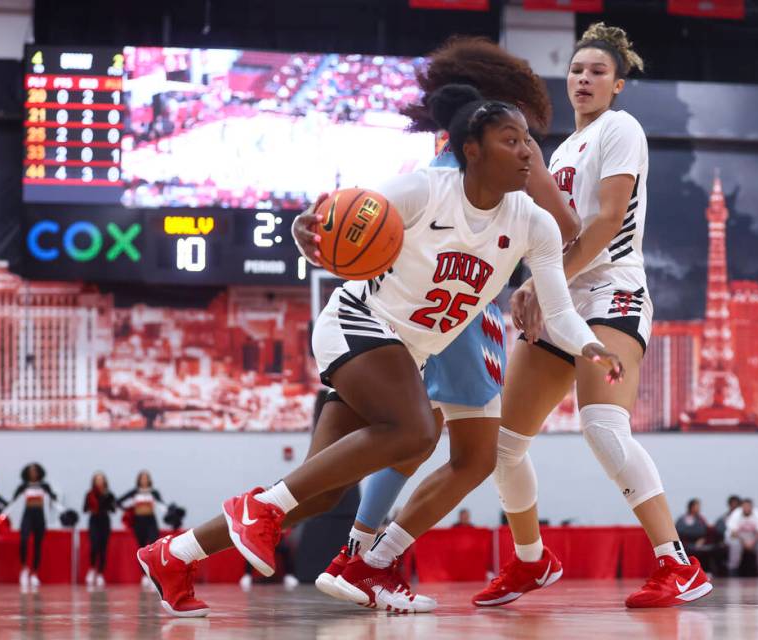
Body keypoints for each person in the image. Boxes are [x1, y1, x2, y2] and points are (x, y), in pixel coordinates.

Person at [136, 84, 622, 617]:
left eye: (529, 140)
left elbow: (558, 310)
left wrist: (591, 344)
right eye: (512, 140)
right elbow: (341, 217)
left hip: (403, 350)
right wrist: (309, 225)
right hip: (356, 324)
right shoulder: (423, 190)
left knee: (321, 492)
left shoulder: (535, 224)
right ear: (472, 150)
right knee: (417, 431)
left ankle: (173, 554)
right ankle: (257, 510)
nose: (529, 151)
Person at [307, 36, 580, 603]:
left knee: (412, 439)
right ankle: (363, 560)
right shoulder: (504, 145)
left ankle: (359, 556)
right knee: (478, 451)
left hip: (409, 308)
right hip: (459, 307)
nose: (524, 140)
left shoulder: (453, 141)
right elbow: (566, 223)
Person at [475, 22, 712, 609]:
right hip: (565, 296)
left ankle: (678, 565)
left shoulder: (621, 128)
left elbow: (607, 222)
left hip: (612, 292)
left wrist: (545, 283)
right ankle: (531, 562)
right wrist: (532, 280)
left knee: (603, 427)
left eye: (597, 71)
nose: (584, 79)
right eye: (577, 70)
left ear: (618, 85)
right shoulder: (559, 150)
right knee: (503, 444)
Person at [10, 463, 60, 590]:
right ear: (27, 473)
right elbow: (13, 501)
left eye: (35, 471)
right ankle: (24, 568)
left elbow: (53, 499)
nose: (33, 473)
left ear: (39, 472)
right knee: (24, 540)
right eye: (31, 471)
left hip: (39, 516)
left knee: (38, 544)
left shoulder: (44, 486)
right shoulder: (23, 486)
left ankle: (34, 573)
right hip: (27, 516)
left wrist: (55, 499)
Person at [118, 471, 166, 588]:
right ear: (139, 480)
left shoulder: (153, 492)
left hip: (151, 521)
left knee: (153, 547)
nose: (144, 480)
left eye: (146, 478)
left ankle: (153, 575)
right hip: (139, 522)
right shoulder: (134, 492)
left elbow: (162, 505)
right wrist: (128, 509)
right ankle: (144, 575)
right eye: (142, 478)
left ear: (149, 480)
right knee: (142, 549)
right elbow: (118, 501)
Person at [83, 472, 116, 587]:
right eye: (97, 479)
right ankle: (92, 569)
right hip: (94, 520)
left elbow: (113, 509)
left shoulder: (109, 493)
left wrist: (109, 501)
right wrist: (92, 506)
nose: (99, 481)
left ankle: (100, 573)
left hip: (105, 521)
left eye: (101, 479)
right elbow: (85, 508)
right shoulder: (89, 494)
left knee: (103, 547)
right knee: (94, 545)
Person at [725, 498, 758, 575]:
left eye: (748, 506)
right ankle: (733, 569)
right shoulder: (736, 513)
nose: (747, 508)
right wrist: (744, 542)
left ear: (752, 507)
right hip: (738, 538)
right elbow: (733, 532)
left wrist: (753, 542)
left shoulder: (757, 513)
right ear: (742, 507)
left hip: (753, 538)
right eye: (745, 506)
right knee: (735, 544)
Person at [675, 499, 711, 571]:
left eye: (699, 506)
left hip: (698, 542)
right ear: (691, 507)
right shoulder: (682, 519)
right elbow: (680, 530)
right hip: (685, 543)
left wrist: (702, 540)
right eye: (697, 506)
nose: (698, 508)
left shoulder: (701, 519)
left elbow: (704, 532)